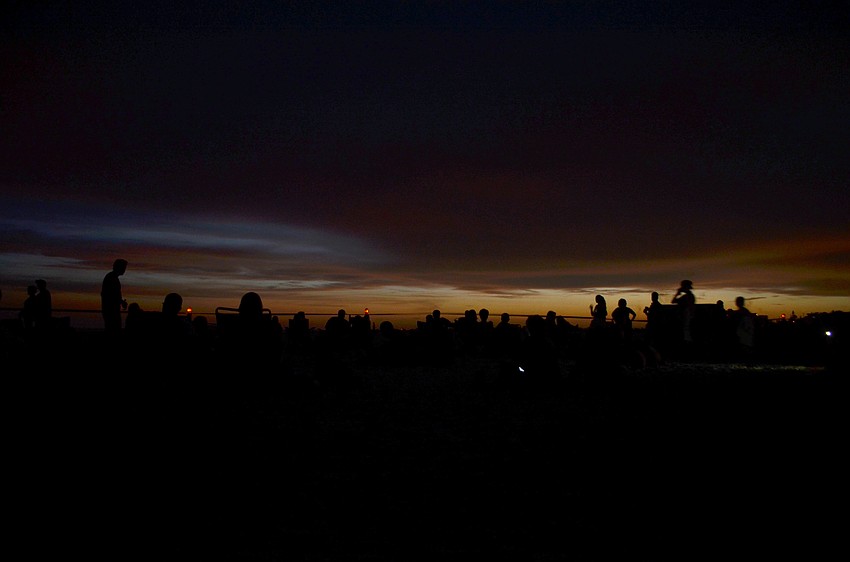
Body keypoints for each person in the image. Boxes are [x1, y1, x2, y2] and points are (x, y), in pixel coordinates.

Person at [101, 259, 128, 332]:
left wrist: (121, 302)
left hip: (111, 310)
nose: (124, 270)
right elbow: (111, 295)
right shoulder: (111, 278)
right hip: (111, 311)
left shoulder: (111, 277)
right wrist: (120, 302)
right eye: (124, 267)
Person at [672, 279, 696, 344]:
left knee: (686, 331)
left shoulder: (687, 297)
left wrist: (677, 294)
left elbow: (673, 301)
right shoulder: (688, 296)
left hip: (686, 318)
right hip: (686, 317)